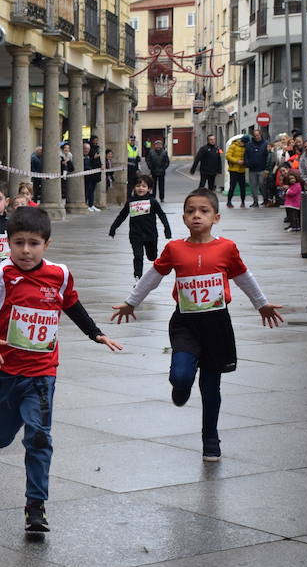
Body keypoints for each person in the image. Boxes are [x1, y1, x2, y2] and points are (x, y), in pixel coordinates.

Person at [0, 206, 124, 531]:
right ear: (9, 243)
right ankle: (4, 419)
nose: (26, 251)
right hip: (6, 371)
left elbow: (70, 303)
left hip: (42, 372)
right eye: (19, 243)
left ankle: (36, 506)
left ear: (47, 244)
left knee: (39, 437)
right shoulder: (1, 275)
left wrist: (95, 332)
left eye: (33, 243)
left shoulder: (60, 274)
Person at [111, 189, 285, 461]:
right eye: (191, 211)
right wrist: (131, 302)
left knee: (211, 386)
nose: (196, 216)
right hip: (186, 322)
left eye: (203, 211)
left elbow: (243, 277)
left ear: (216, 217)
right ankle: (180, 387)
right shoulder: (175, 249)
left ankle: (210, 438)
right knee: (181, 374)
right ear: (183, 217)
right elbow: (153, 276)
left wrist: (261, 304)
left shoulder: (226, 248)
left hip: (217, 323)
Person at [109, 175, 172, 279]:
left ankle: (151, 256)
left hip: (150, 234)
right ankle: (138, 276)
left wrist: (167, 229)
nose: (141, 188)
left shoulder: (153, 202)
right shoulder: (131, 202)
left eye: (144, 186)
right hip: (135, 235)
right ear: (134, 187)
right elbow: (122, 215)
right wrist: (113, 228)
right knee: (138, 256)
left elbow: (162, 215)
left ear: (149, 189)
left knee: (152, 257)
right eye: (138, 186)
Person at [243, 129, 267, 208]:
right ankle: (255, 202)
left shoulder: (265, 144)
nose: (257, 137)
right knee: (253, 187)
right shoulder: (249, 144)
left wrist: (267, 167)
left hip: (262, 168)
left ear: (261, 135)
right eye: (255, 135)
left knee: (262, 185)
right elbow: (245, 155)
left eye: (258, 135)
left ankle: (265, 200)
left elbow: (268, 156)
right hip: (252, 169)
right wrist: (247, 163)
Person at [225, 134, 248, 208]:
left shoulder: (246, 147)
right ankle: (229, 202)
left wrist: (245, 162)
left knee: (242, 187)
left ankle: (243, 202)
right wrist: (237, 161)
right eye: (244, 143)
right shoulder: (233, 146)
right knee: (232, 186)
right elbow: (228, 156)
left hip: (242, 170)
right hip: (233, 170)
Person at [279, 166, 303, 231]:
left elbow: (293, 192)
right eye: (290, 179)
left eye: (293, 178)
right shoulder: (291, 184)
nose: (291, 180)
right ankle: (292, 225)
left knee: (294, 216)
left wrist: (287, 190)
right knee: (291, 216)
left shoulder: (297, 185)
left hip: (294, 204)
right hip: (290, 203)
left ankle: (296, 226)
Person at [83, 145, 103, 211]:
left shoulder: (89, 156)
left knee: (91, 191)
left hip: (92, 176)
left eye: (88, 149)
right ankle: (86, 204)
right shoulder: (85, 157)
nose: (86, 150)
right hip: (85, 176)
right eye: (85, 148)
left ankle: (91, 204)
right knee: (87, 191)